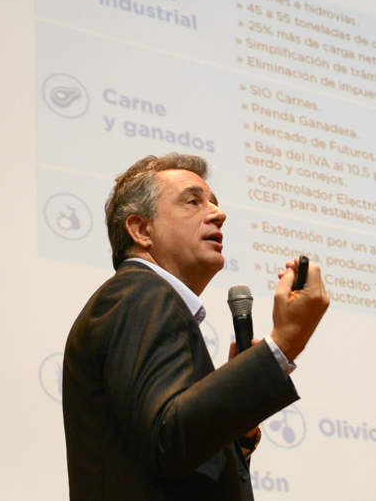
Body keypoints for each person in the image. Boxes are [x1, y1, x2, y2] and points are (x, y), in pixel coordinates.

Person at [62, 153, 329, 500]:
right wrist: (285, 341)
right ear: (141, 230)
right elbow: (169, 439)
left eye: (214, 203)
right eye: (192, 202)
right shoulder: (141, 291)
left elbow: (173, 460)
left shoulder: (143, 298)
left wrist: (241, 425)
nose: (219, 214)